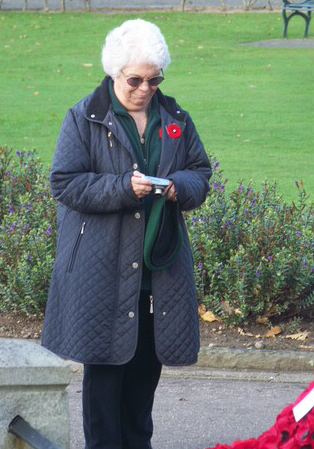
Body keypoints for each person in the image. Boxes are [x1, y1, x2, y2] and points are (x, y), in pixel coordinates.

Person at [42, 18, 212, 449]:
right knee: (104, 379)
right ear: (114, 71)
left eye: (154, 79)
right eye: (135, 79)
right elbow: (65, 182)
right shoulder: (84, 116)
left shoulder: (175, 117)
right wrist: (122, 187)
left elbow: (201, 173)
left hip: (158, 270)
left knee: (142, 381)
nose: (145, 88)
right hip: (102, 267)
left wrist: (178, 187)